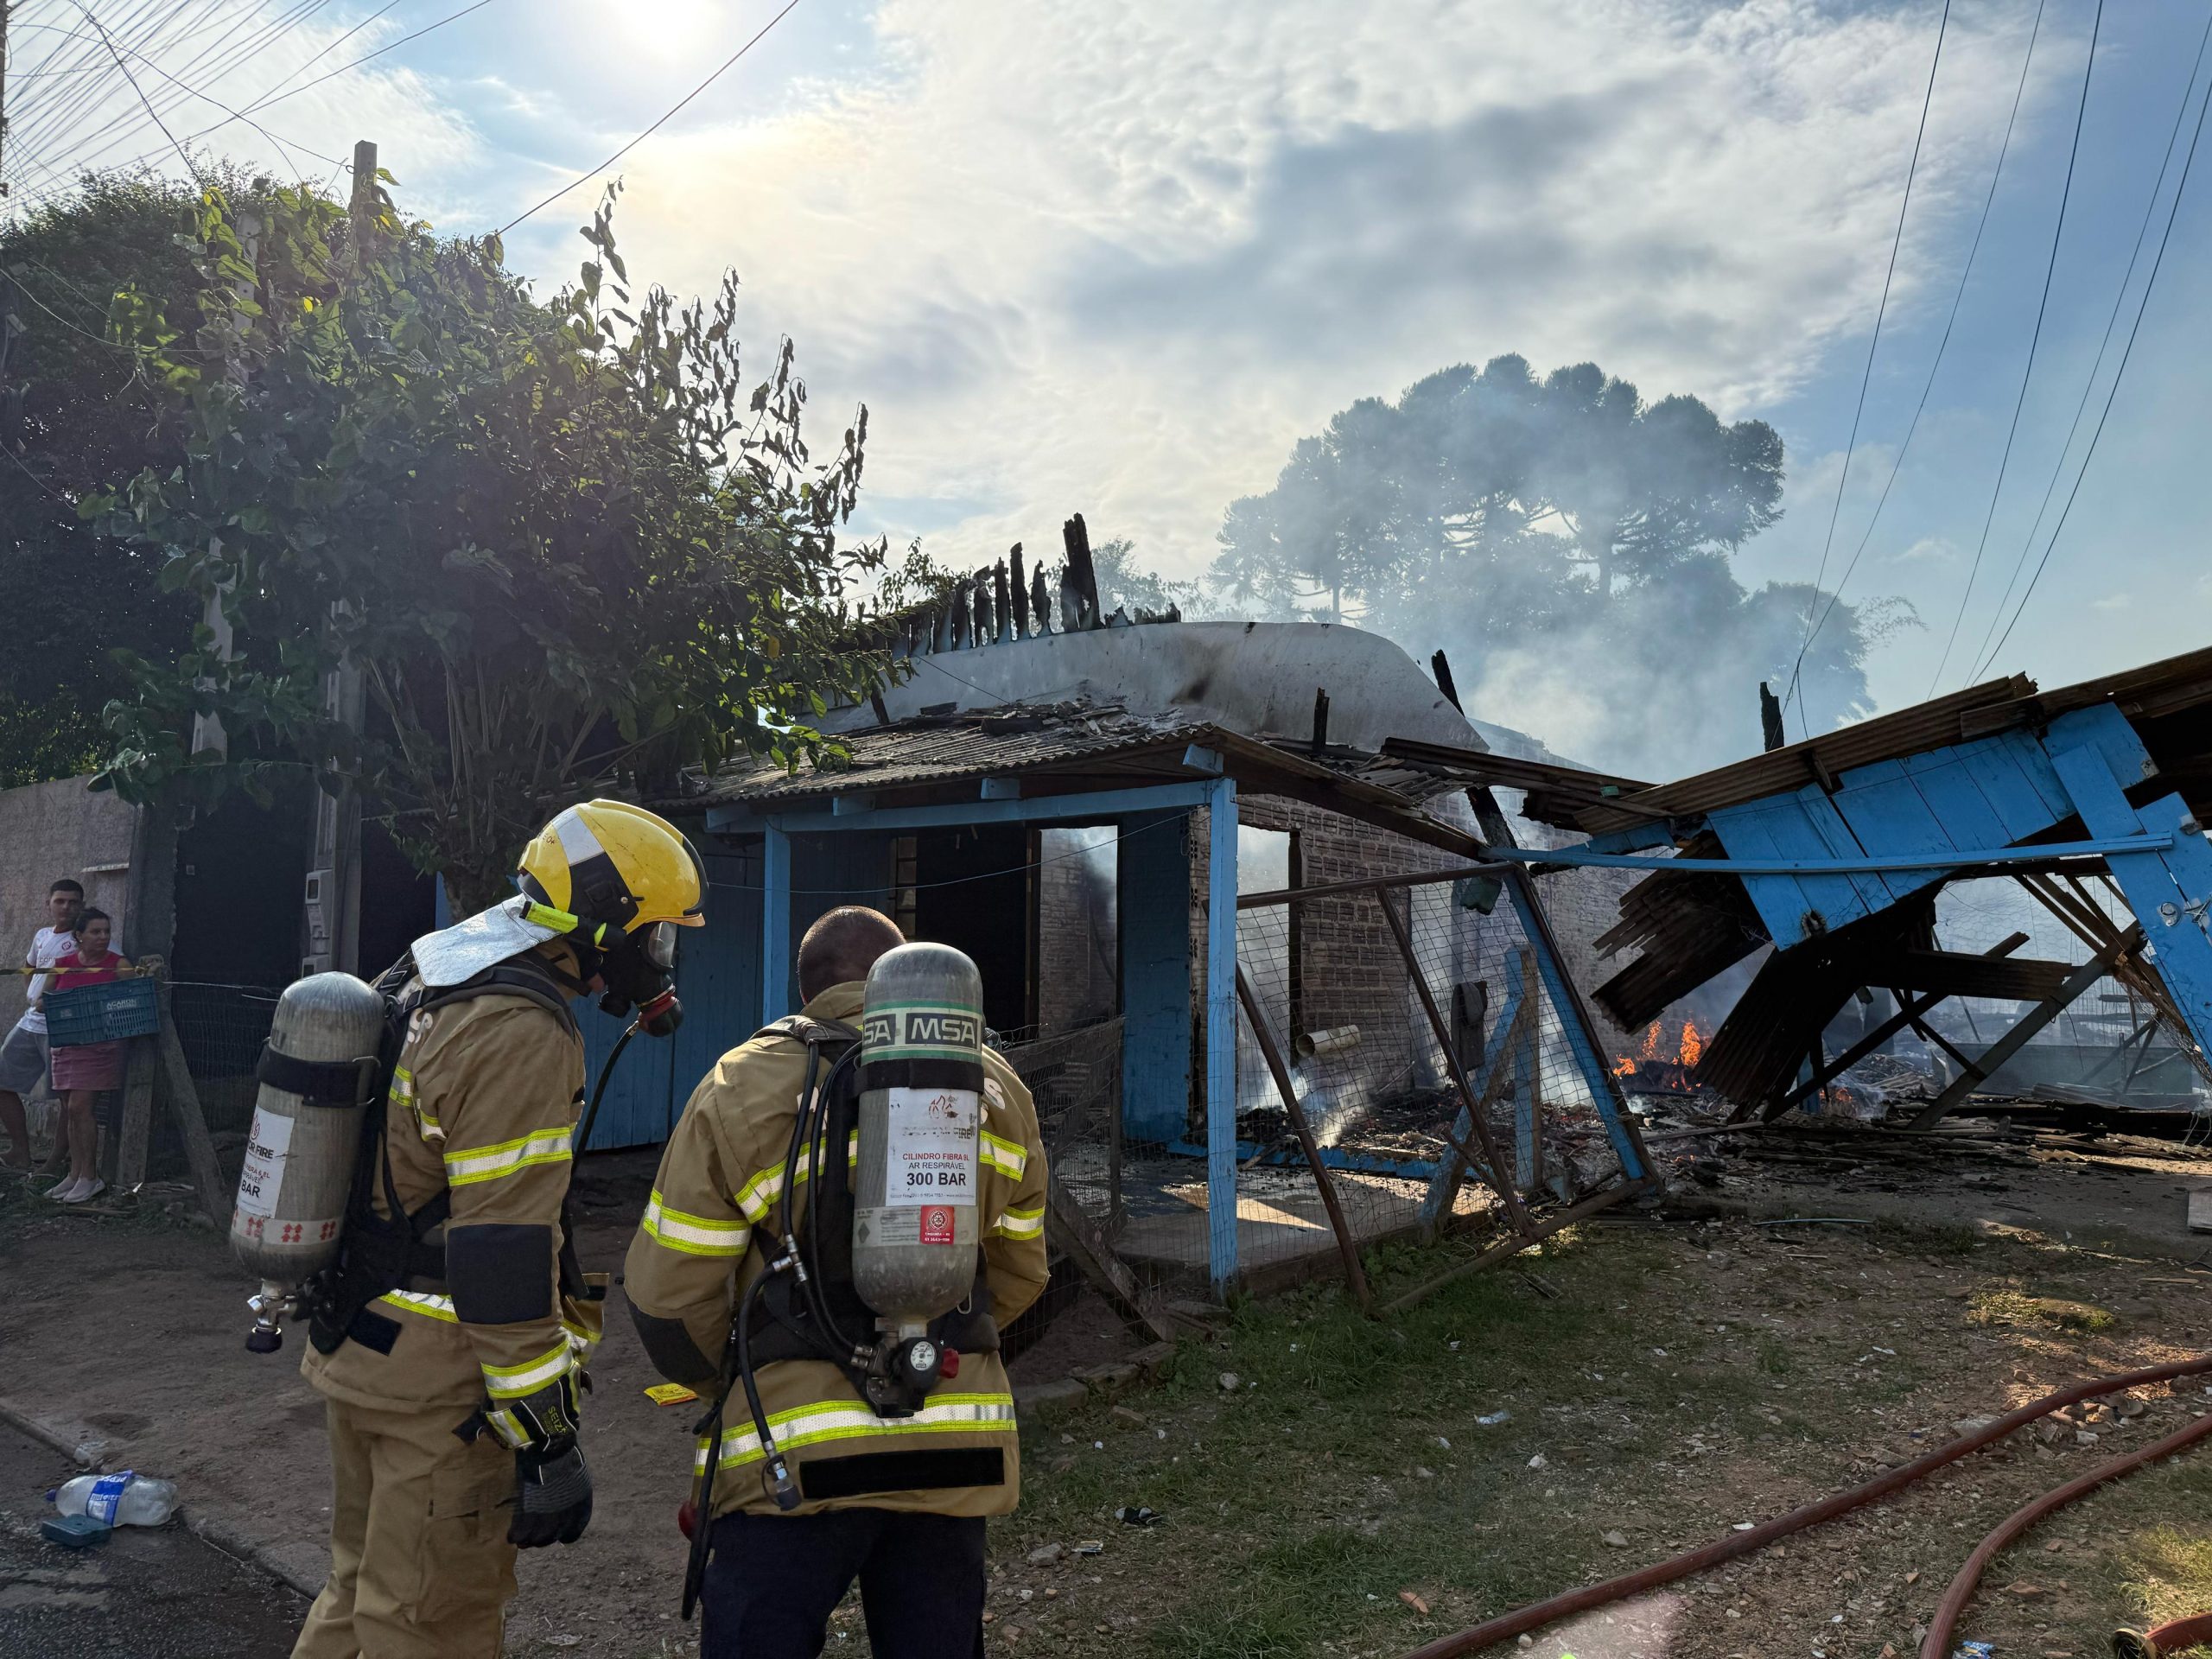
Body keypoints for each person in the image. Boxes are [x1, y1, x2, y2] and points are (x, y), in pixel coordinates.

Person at [291, 801, 705, 1659]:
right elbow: (500, 1249)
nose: (658, 959)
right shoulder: (519, 1030)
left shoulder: (435, 972)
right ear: (603, 921)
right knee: (428, 1625)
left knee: (358, 1595)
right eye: (656, 936)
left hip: (364, 1347)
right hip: (443, 1388)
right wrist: (545, 1435)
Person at [625, 905, 1050, 1659]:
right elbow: (1020, 1272)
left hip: (794, 1464)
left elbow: (668, 1300)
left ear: (809, 988)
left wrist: (732, 1376)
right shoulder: (996, 1087)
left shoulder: (741, 1085)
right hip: (953, 1450)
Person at [41, 907, 132, 1205]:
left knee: (81, 1107)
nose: (103, 937)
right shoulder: (62, 965)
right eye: (95, 932)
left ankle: (91, 1177)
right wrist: (69, 1005)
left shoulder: (118, 965)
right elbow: (42, 1002)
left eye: (106, 931)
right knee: (70, 1108)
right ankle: (75, 1174)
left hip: (99, 1047)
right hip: (67, 1045)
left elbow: (133, 998)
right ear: (79, 936)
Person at [0, 879, 84, 1176]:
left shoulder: (84, 938)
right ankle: (21, 1151)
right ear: (48, 904)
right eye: (60, 901)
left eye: (73, 902)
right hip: (30, 1022)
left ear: (81, 905)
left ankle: (54, 1161)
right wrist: (33, 995)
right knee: (2, 1082)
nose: (66, 907)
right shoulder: (42, 935)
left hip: (60, 1028)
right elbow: (29, 966)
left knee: (67, 1097)